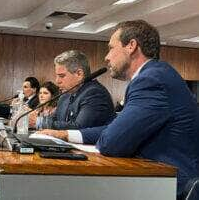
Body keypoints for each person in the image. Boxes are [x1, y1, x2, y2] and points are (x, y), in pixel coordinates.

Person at [38, 20, 199, 199]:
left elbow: (111, 142)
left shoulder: (152, 80)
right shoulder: (154, 75)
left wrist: (111, 135)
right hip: (156, 180)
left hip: (173, 187)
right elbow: (115, 127)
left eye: (111, 48)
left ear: (131, 46)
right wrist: (65, 135)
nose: (107, 57)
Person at [40, 50, 114, 130]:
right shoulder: (65, 96)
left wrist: (40, 123)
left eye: (61, 76)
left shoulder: (95, 93)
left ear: (79, 74)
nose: (57, 81)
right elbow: (54, 120)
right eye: (57, 76)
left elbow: (80, 128)